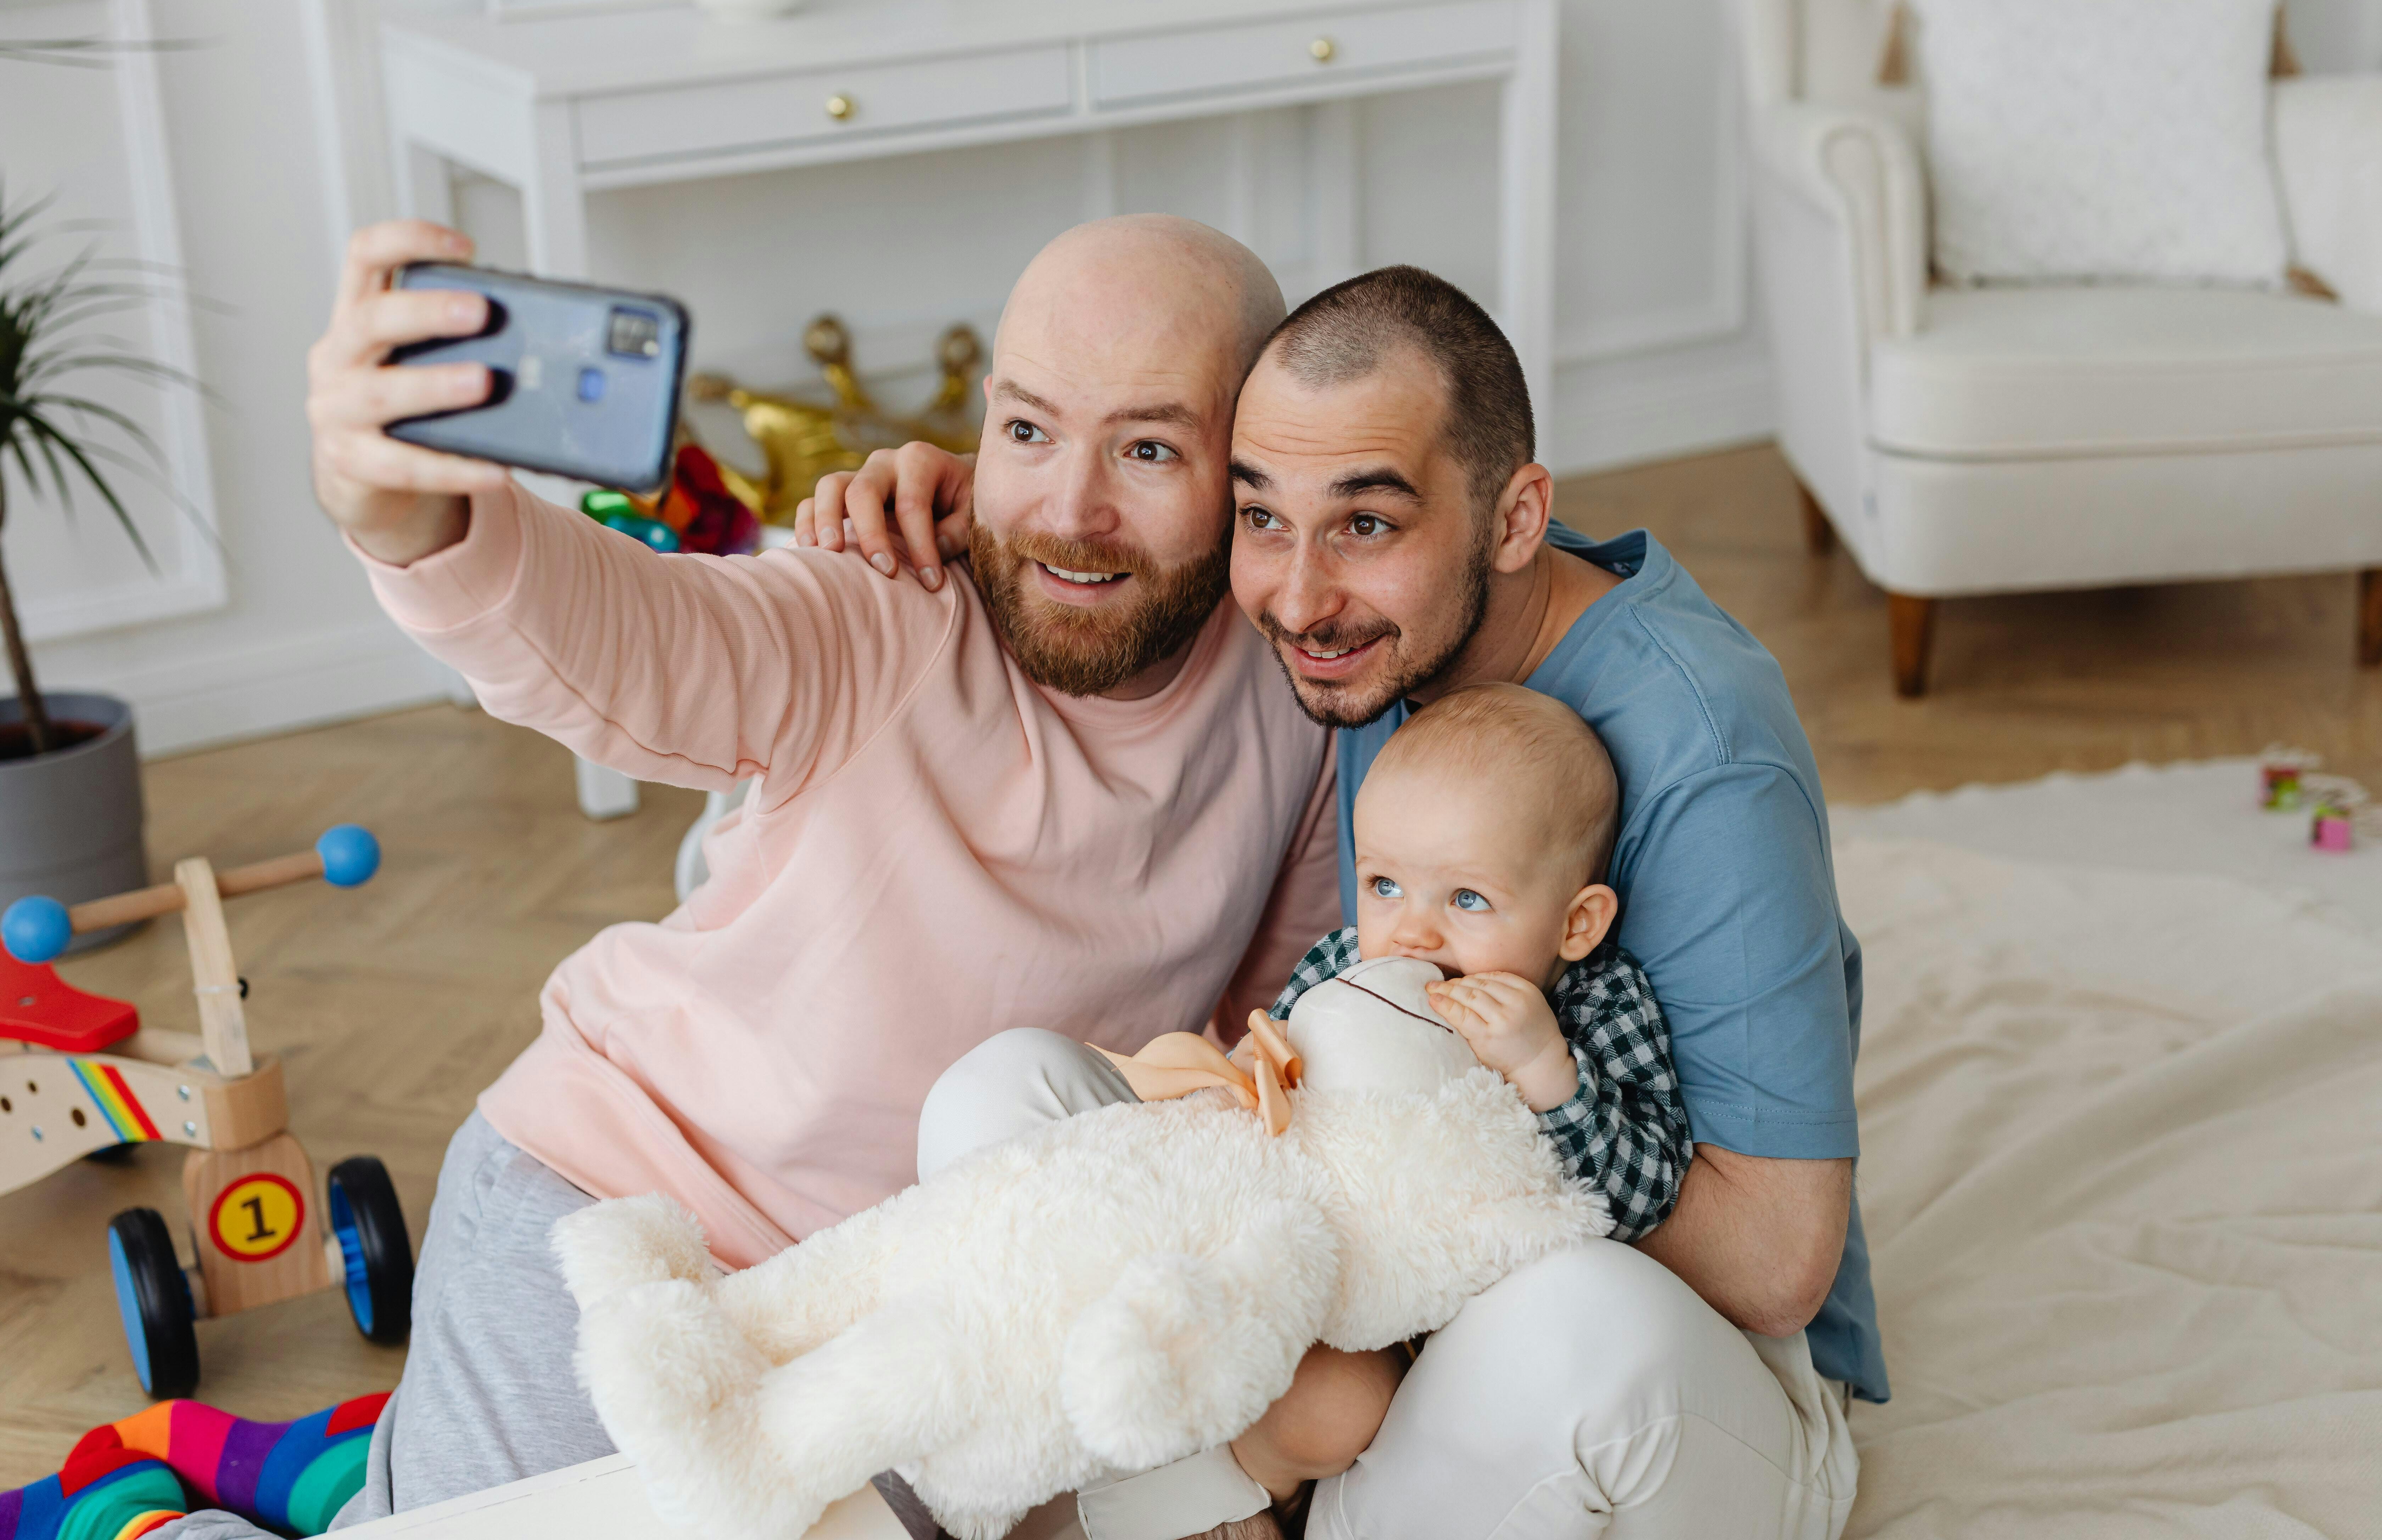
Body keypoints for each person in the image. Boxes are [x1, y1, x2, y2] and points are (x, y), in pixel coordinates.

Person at [166, 212, 1346, 1540]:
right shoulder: (889, 600)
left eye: (1146, 448)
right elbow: (636, 640)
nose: (1067, 511)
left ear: (1250, 472)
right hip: (617, 1223)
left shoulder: (1300, 701)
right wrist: (414, 516)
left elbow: (1258, 1052)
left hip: (906, 1317)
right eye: (1026, 430)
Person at [813, 264, 1879, 1539]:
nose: (1301, 597)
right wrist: (993, 499)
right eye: (1262, 517)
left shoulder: (1709, 753)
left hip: (1670, 1363)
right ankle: (1170, 1501)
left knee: (1581, 1331)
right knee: (1013, 1097)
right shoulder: (1366, 633)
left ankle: (1187, 1498)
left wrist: (1445, 1101)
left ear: (1517, 516)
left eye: (1367, 526)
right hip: (1370, 1318)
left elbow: (1773, 1269)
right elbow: (1156, 449)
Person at [920, 680, 1689, 1527]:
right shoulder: (1343, 964)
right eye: (1386, 884)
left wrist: (1547, 1069)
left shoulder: (1598, 1004)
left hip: (1401, 1336)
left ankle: (1233, 1501)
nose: (1413, 934)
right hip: (1279, 1259)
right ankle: (1011, 1418)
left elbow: (1644, 1199)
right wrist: (1250, 1077)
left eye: (1468, 899)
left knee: (1337, 1403)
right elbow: (1271, 1092)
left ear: (1576, 923)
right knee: (1046, 1135)